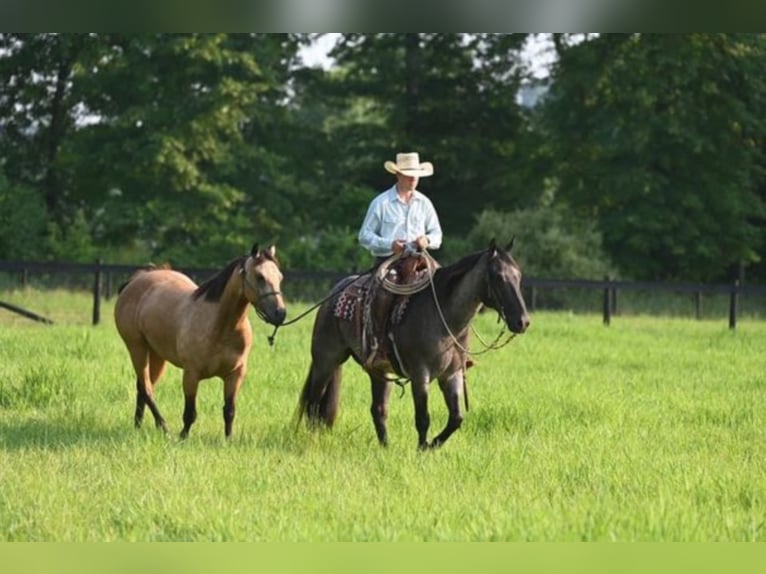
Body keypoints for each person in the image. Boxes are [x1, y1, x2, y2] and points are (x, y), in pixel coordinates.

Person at [357, 151, 443, 370]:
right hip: (389, 261)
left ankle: (453, 350)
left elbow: (437, 235)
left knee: (448, 287)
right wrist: (389, 244)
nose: (413, 178)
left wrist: (427, 239)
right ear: (398, 175)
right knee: (385, 292)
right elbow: (364, 236)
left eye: (415, 174)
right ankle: (379, 345)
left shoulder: (424, 203)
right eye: (408, 174)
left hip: (420, 259)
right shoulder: (381, 203)